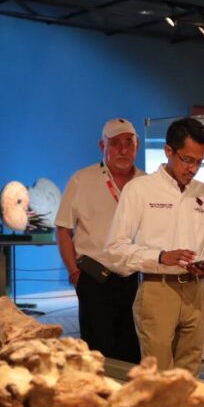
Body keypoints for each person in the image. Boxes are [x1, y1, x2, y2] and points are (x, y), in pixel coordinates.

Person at [105, 116, 204, 375]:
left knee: (189, 375)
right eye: (187, 160)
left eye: (199, 162)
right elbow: (115, 249)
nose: (193, 169)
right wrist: (160, 257)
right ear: (168, 151)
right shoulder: (140, 190)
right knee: (158, 375)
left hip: (195, 291)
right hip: (157, 290)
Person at [54, 118, 144, 364]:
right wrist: (74, 272)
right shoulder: (82, 180)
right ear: (102, 145)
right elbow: (63, 229)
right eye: (116, 144)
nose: (124, 150)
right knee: (97, 353)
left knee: (132, 353)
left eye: (129, 143)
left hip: (134, 281)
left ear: (137, 146)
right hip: (95, 279)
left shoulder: (146, 183)